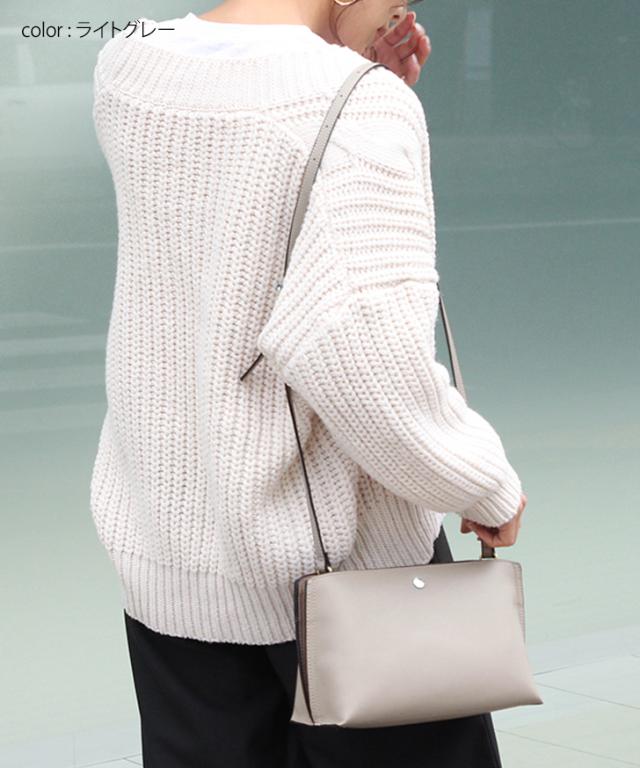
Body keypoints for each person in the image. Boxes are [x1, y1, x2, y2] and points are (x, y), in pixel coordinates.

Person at [90, 1, 528, 765]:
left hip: (175, 567)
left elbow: (248, 158)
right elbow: (357, 350)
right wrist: (482, 483)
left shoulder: (129, 62)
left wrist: (354, 75)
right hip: (357, 590)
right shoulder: (358, 106)